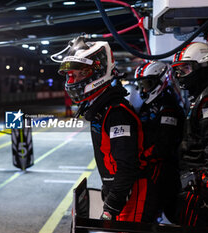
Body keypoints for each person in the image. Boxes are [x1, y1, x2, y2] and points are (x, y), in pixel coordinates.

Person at [58, 36, 159, 222]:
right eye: (71, 75)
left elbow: (127, 167)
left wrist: (112, 205)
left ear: (98, 72)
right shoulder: (101, 108)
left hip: (132, 193)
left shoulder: (117, 113)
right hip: (121, 191)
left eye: (80, 73)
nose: (73, 80)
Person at [135, 61, 185, 223]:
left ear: (160, 81)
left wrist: (142, 157)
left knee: (150, 215)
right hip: (152, 169)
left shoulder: (167, 106)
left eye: (147, 84)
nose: (143, 89)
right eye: (141, 85)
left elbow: (163, 146)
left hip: (163, 172)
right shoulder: (151, 104)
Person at [171, 42, 208, 227]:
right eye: (179, 71)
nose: (181, 75)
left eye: (186, 69)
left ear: (203, 66)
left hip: (201, 186)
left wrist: (207, 183)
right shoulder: (200, 96)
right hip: (193, 180)